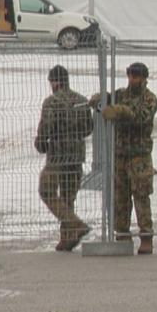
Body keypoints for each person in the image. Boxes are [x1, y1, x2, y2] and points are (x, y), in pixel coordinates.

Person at [93, 61, 157, 255]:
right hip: (120, 153)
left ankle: (146, 237)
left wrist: (122, 111)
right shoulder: (121, 94)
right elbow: (105, 102)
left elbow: (142, 118)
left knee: (141, 195)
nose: (132, 80)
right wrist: (99, 101)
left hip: (139, 154)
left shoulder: (149, 99)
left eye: (136, 76)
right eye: (130, 75)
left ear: (144, 78)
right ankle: (121, 234)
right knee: (120, 196)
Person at [35, 65, 94, 252]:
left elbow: (46, 125)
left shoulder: (51, 102)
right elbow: (88, 129)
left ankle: (74, 225)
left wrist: (41, 142)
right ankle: (67, 238)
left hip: (57, 155)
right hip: (76, 154)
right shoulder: (82, 101)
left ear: (55, 82)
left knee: (47, 190)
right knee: (68, 197)